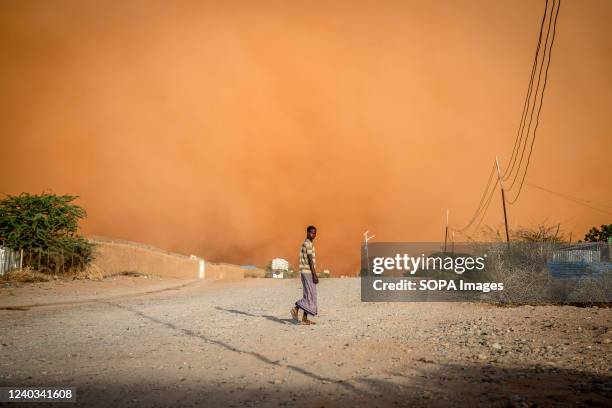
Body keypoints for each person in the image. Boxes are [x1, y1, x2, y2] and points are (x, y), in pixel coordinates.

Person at [291, 226, 319, 325]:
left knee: (308, 295)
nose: (313, 235)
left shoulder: (307, 243)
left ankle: (304, 318)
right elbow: (310, 260)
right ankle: (296, 308)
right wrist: (314, 275)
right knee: (311, 295)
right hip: (308, 272)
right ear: (307, 232)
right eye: (311, 232)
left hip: (306, 272)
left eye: (315, 233)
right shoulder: (308, 244)